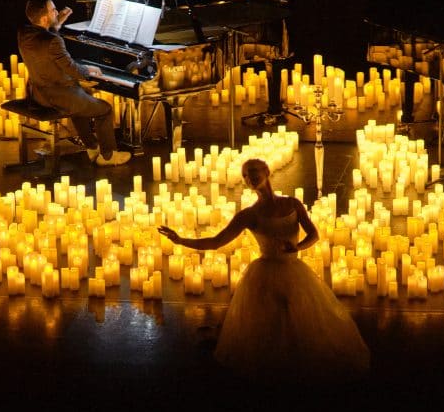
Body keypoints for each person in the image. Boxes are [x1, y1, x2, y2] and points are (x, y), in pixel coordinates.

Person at [158, 159, 370, 383]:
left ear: (267, 172)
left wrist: (296, 247)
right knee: (270, 324)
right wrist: (181, 240)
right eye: (246, 176)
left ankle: (296, 365)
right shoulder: (249, 215)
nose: (250, 179)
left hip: (294, 271)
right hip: (264, 275)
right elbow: (216, 241)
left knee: (300, 319)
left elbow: (313, 235)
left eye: (253, 172)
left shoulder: (292, 204)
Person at [18, 0, 131, 166]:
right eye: (53, 10)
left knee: (82, 99)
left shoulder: (24, 33)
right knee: (105, 110)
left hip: (38, 94)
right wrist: (90, 71)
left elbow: (44, 39)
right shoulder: (54, 41)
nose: (57, 11)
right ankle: (108, 156)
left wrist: (56, 24)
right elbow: (72, 68)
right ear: (44, 17)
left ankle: (92, 149)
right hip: (58, 97)